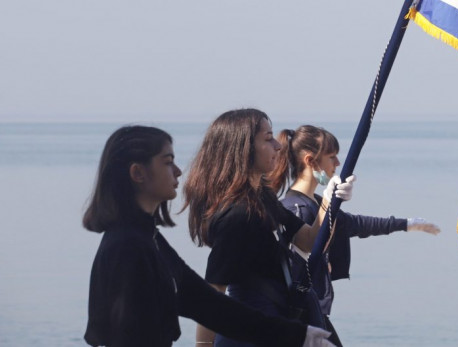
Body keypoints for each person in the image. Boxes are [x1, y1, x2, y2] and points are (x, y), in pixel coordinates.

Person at [83, 125, 335, 347]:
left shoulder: (149, 238)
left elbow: (206, 303)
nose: (179, 171)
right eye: (167, 161)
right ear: (138, 173)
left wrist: (297, 335)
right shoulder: (128, 246)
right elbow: (126, 334)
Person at [182, 109, 355, 347]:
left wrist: (329, 202)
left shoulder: (263, 198)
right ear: (243, 149)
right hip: (249, 332)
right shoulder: (238, 215)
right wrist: (203, 346)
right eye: (267, 139)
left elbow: (309, 240)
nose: (278, 146)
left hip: (274, 322)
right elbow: (214, 289)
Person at [268, 125, 439, 337]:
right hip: (303, 317)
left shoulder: (316, 202)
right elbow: (302, 254)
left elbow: (355, 224)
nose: (337, 164)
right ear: (311, 161)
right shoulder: (296, 208)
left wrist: (407, 224)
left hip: (316, 313)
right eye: (331, 157)